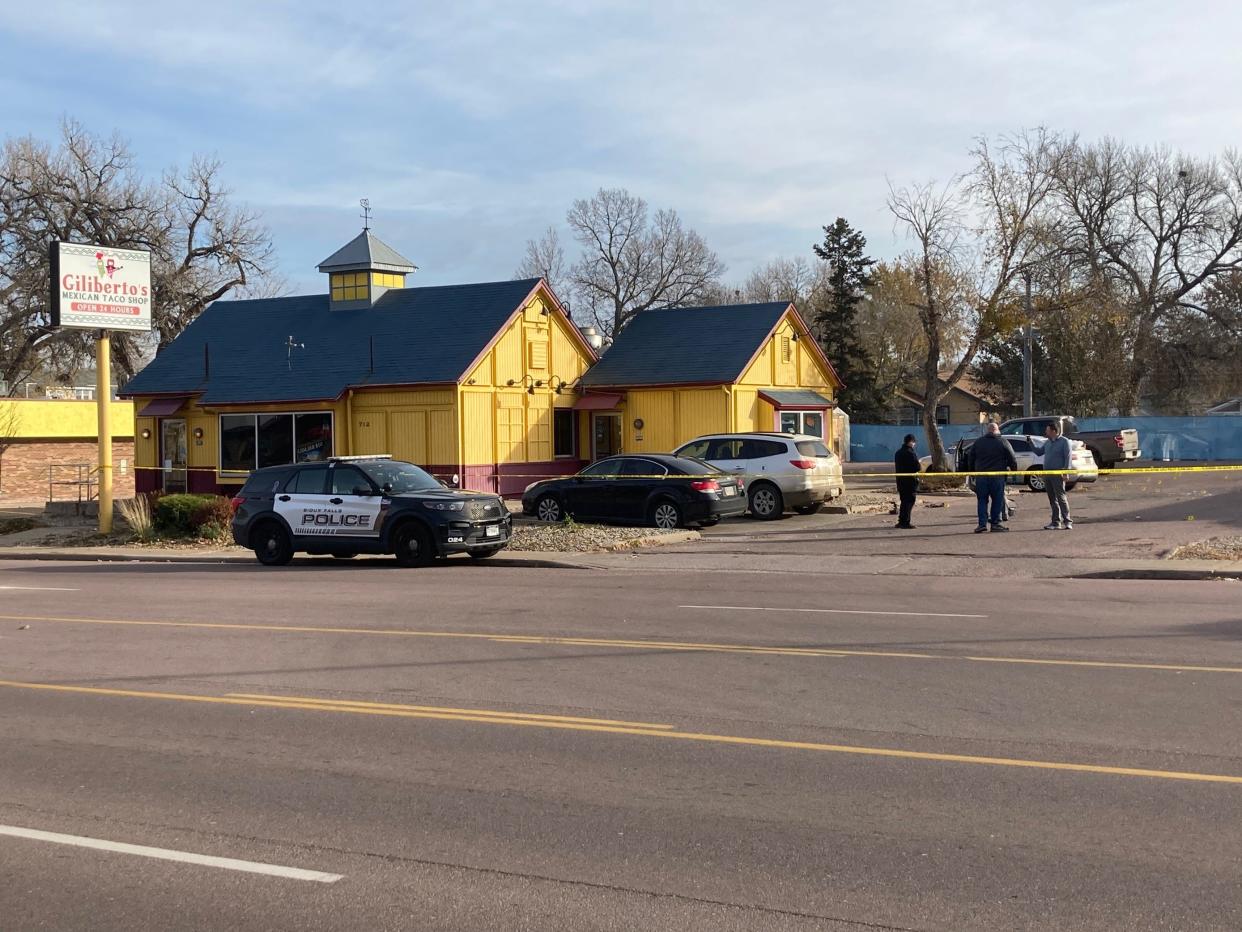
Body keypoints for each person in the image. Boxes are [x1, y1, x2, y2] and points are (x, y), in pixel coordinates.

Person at [964, 422, 1017, 533]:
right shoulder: (1002, 441)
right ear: (997, 430)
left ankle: (982, 524)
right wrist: (1014, 470)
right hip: (997, 476)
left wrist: (972, 472)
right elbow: (1012, 457)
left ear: (988, 431)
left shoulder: (978, 442)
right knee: (997, 500)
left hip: (981, 477)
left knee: (982, 500)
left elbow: (971, 457)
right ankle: (995, 523)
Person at [1041, 422, 1074, 530]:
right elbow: (1038, 452)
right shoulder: (1047, 442)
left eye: (1047, 430)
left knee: (1061, 497)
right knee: (1052, 499)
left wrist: (1066, 472)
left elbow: (1067, 457)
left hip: (1058, 474)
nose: (1046, 432)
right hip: (1047, 474)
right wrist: (1030, 443)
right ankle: (1055, 522)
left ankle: (1068, 521)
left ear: (1053, 431)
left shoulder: (1064, 442)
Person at [894, 434, 920, 529]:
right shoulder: (910, 453)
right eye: (914, 442)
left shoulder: (898, 452)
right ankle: (905, 522)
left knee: (904, 501)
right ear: (910, 442)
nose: (914, 444)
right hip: (910, 482)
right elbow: (917, 467)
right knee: (909, 502)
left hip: (900, 481)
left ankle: (901, 521)